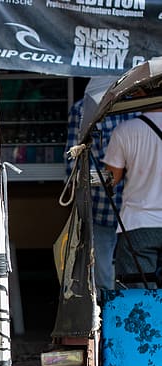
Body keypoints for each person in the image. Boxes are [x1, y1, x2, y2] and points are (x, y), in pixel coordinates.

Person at [65, 78, 138, 292]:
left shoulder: (84, 109)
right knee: (114, 271)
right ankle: (116, 316)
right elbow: (73, 163)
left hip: (117, 204)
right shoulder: (137, 109)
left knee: (111, 272)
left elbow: (72, 164)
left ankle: (113, 316)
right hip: (118, 206)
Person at [103, 104, 162, 285]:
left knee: (138, 296)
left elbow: (111, 179)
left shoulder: (125, 131)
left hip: (138, 223)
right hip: (138, 222)